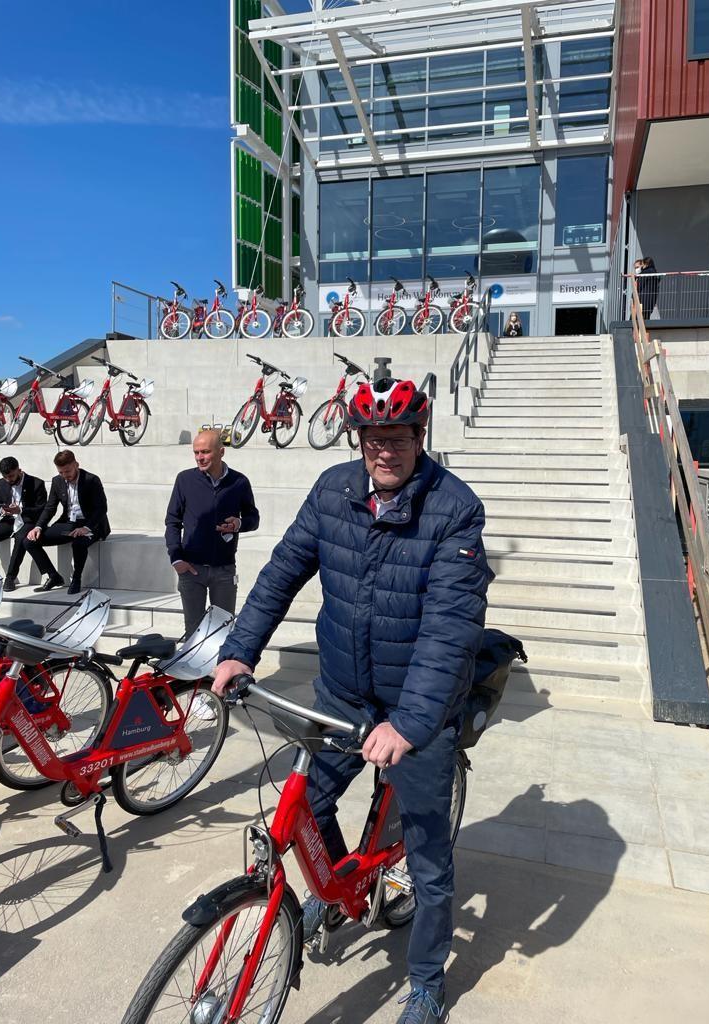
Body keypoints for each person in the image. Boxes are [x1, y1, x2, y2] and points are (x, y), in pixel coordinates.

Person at [213, 378, 491, 1023]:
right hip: (342, 689)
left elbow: (450, 629)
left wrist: (412, 723)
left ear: (420, 439)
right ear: (358, 440)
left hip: (416, 710)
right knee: (307, 801)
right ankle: (339, 886)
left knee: (427, 858)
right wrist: (239, 649)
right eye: (371, 438)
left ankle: (426, 984)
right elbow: (284, 569)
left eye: (396, 438)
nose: (383, 451)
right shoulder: (335, 490)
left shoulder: (455, 510)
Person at [165, 429, 259, 636]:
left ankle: (220, 670)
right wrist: (176, 558)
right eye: (196, 452)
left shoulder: (239, 482)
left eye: (205, 452)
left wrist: (238, 524)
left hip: (224, 570)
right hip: (191, 570)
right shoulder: (185, 480)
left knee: (223, 631)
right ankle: (194, 670)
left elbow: (254, 519)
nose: (200, 457)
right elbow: (172, 521)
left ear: (221, 452)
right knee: (193, 632)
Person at [24, 450, 110, 595]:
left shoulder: (91, 480)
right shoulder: (57, 481)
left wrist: (86, 527)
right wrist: (38, 526)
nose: (65, 475)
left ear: (76, 465)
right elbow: (50, 507)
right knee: (29, 541)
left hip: (92, 524)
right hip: (69, 522)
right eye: (61, 472)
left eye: (67, 471)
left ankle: (76, 579)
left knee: (79, 542)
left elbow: (101, 508)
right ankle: (53, 576)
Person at [0, 457, 47, 592]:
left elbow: (42, 510)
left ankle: (10, 578)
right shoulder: (1, 483)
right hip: (9, 520)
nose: (9, 480)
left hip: (28, 520)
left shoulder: (37, 483)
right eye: (5, 477)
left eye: (11, 476)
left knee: (20, 539)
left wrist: (20, 510)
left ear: (19, 470)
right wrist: (2, 510)